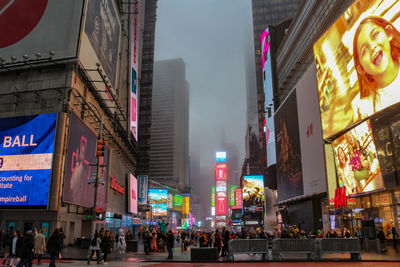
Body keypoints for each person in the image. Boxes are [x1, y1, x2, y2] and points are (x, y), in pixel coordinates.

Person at [353, 16, 400, 117]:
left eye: (375, 35)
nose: (372, 47)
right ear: (361, 69)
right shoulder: (366, 108)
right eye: (364, 51)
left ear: (388, 33)